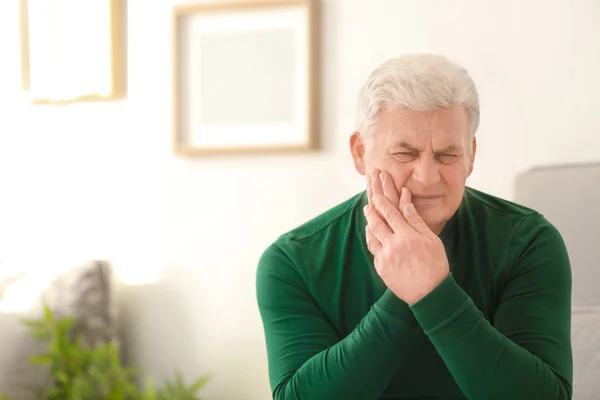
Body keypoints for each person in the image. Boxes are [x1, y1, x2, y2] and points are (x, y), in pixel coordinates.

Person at [255, 53, 573, 400]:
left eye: (446, 155)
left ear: (471, 155)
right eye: (405, 154)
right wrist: (406, 294)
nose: (426, 177)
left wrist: (433, 292)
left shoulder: (528, 242)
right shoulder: (293, 261)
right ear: (360, 152)